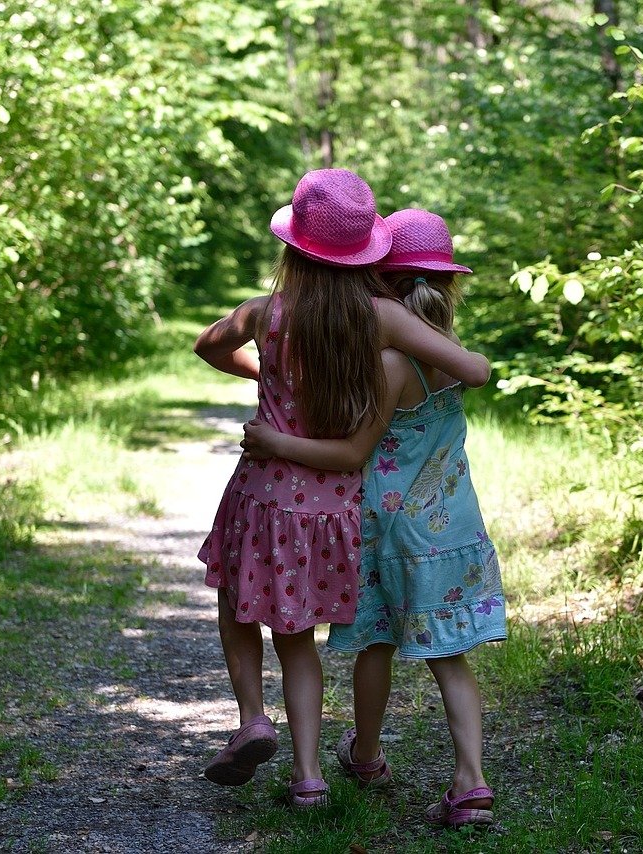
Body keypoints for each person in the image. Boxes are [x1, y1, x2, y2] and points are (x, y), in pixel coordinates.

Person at [195, 175, 491, 809]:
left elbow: (208, 346)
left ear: (293, 249)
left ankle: (255, 718)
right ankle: (313, 778)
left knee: (240, 604)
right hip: (336, 503)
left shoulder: (266, 312)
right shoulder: (377, 320)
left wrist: (263, 369)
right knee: (302, 636)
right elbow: (473, 371)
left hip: (266, 489)